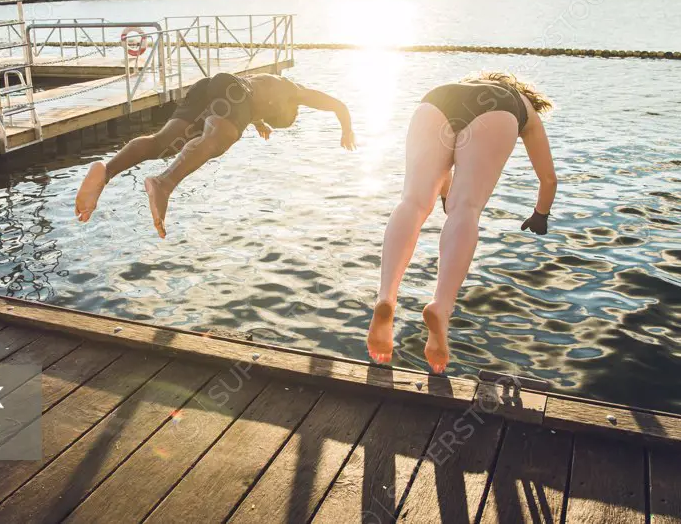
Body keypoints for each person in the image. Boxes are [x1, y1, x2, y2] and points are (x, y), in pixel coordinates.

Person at [367, 72, 557, 373]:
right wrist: (540, 214)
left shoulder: (463, 86)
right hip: (499, 109)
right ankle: (440, 308)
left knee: (413, 202)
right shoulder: (524, 107)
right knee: (465, 209)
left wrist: (445, 195)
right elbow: (548, 179)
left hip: (437, 99)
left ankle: (386, 297)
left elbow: (445, 166)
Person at [75, 71, 355, 238]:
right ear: (290, 110)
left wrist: (258, 122)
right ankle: (164, 183)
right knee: (220, 139)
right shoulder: (296, 93)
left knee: (162, 143)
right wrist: (347, 130)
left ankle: (106, 171)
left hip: (211, 88)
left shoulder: (266, 90)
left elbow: (251, 103)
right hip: (234, 92)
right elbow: (338, 104)